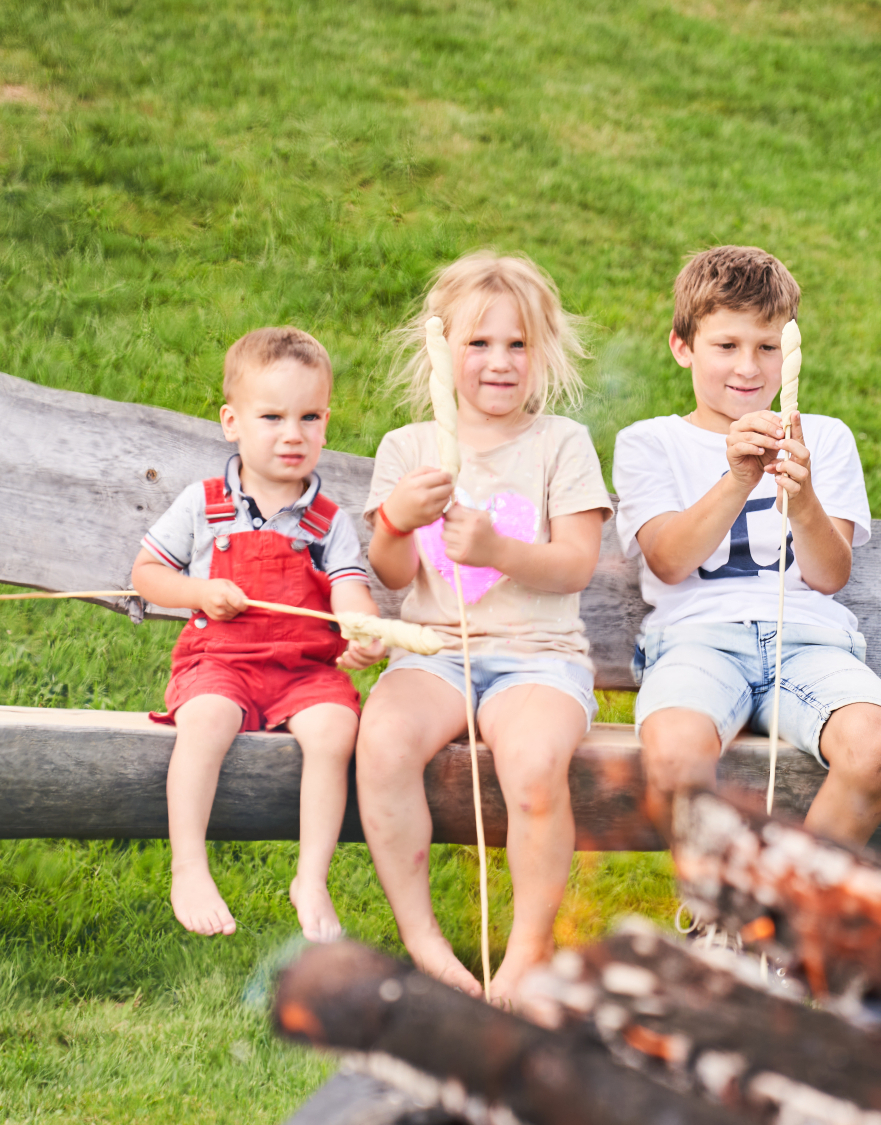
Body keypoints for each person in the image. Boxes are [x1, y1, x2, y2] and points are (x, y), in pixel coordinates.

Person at [357, 252, 612, 1002]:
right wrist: (398, 521)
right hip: (435, 652)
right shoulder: (410, 451)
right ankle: (424, 937)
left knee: (533, 762)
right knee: (383, 741)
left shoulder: (559, 443)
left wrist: (497, 549)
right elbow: (395, 574)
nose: (499, 362)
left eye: (518, 344)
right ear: (441, 350)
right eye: (479, 343)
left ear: (543, 352)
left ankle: (527, 949)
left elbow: (576, 564)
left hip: (539, 658)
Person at [614, 245, 881, 846]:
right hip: (697, 642)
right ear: (682, 347)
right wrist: (739, 479)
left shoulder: (822, 438)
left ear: (788, 352)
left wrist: (802, 502)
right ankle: (723, 907)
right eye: (727, 346)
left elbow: (829, 576)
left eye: (767, 347)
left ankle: (776, 914)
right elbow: (669, 561)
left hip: (808, 644)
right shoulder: (649, 443)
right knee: (673, 755)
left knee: (876, 746)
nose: (749, 367)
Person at [130, 327, 384, 940]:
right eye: (271, 416)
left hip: (303, 672)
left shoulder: (327, 521)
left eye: (309, 416)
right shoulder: (206, 504)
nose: (292, 434)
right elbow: (145, 574)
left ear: (326, 423)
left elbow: (348, 585)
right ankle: (189, 866)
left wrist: (361, 624)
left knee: (336, 728)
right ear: (231, 422)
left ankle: (311, 877)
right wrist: (197, 592)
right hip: (220, 662)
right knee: (208, 718)